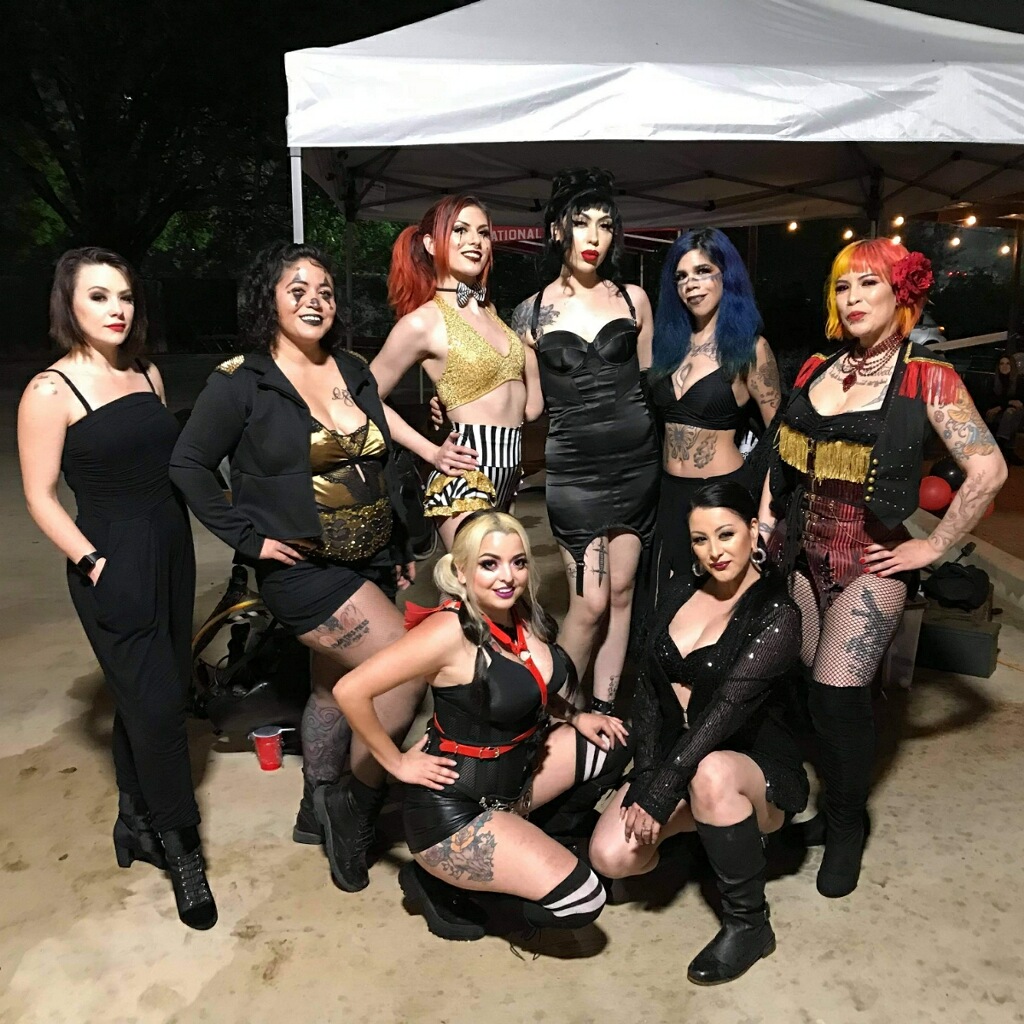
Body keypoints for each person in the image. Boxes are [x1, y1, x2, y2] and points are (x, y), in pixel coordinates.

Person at [170, 241, 474, 891]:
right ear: (269, 301)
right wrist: (248, 539)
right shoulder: (241, 381)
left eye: (326, 291)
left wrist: (398, 545)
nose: (316, 301)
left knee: (329, 689)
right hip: (304, 570)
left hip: (369, 560)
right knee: (403, 675)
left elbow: (380, 461)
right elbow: (188, 465)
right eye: (298, 290)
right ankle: (352, 804)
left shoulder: (352, 368)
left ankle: (315, 802)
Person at [760, 239, 1007, 898]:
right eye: (843, 286)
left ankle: (848, 825)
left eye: (869, 283)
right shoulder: (818, 368)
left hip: (870, 564)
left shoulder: (927, 377)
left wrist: (933, 546)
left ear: (902, 294)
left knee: (837, 698)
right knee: (809, 688)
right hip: (801, 558)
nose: (853, 298)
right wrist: (764, 521)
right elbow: (782, 459)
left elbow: (988, 469)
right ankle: (831, 805)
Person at [18, 247, 217, 930]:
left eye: (125, 296)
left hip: (171, 545)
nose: (117, 309)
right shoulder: (50, 391)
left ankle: (135, 817)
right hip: (111, 556)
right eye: (99, 296)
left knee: (158, 688)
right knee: (159, 711)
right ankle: (183, 849)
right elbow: (39, 496)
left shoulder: (146, 373)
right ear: (68, 304)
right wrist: (94, 561)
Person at [332, 511, 632, 940]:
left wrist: (576, 716)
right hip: (456, 811)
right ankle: (442, 885)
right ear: (460, 570)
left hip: (514, 784)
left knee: (612, 739)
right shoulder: (448, 631)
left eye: (518, 562)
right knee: (583, 899)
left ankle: (544, 838)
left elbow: (532, 685)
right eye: (489, 564)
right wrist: (396, 763)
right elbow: (350, 690)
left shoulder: (518, 611)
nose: (507, 577)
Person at [589, 481, 805, 984]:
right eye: (700, 539)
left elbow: (723, 715)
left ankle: (750, 925)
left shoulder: (778, 615)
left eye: (726, 534)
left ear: (753, 529)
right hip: (675, 759)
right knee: (610, 856)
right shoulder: (677, 592)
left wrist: (661, 793)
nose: (714, 552)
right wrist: (647, 777)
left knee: (711, 772)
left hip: (749, 769)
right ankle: (712, 836)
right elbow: (647, 694)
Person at [511, 168, 660, 714]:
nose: (594, 237)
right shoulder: (528, 314)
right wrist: (457, 406)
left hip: (637, 466)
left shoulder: (633, 299)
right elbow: (530, 406)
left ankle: (605, 715)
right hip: (573, 472)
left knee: (621, 596)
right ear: (557, 230)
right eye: (581, 223)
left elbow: (651, 383)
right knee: (589, 603)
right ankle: (559, 715)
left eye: (604, 225)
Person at [372, 195, 544, 548]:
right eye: (460, 230)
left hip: (512, 476)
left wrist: (529, 352)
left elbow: (530, 410)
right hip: (466, 477)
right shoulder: (422, 322)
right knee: (480, 579)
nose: (474, 241)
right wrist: (429, 451)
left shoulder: (491, 313)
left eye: (483, 233)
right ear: (430, 243)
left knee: (502, 582)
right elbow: (363, 396)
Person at [648, 228, 782, 599]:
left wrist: (765, 520)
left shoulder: (750, 349)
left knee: (721, 604)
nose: (691, 284)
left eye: (703, 271)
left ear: (727, 276)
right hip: (670, 494)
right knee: (668, 601)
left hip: (723, 495)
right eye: (681, 276)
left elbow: (780, 439)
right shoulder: (667, 347)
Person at [984, 354, 1023, 465]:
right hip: (1000, 411)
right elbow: (990, 399)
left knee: (1010, 413)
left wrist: (1001, 405)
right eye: (1002, 364)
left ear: (1012, 366)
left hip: (1017, 412)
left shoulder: (1019, 381)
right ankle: (1008, 451)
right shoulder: (993, 380)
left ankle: (1000, 444)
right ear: (998, 366)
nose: (1004, 366)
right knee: (1006, 415)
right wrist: (1008, 403)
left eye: (1008, 364)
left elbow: (1020, 401)